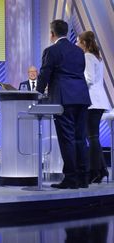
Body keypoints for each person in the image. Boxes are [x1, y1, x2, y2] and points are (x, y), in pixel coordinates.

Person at [36, 20, 91, 189]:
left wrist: (37, 93)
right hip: (81, 97)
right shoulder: (78, 51)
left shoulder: (51, 51)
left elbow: (45, 74)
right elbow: (79, 72)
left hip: (63, 99)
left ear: (52, 34)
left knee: (67, 139)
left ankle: (71, 179)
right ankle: (83, 178)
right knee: (80, 139)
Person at [76, 31, 111, 184]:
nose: (77, 44)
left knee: (92, 137)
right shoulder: (97, 57)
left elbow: (89, 79)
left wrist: (75, 82)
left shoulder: (88, 56)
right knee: (93, 136)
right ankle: (101, 170)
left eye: (78, 41)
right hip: (97, 100)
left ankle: (94, 171)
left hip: (92, 101)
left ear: (84, 43)